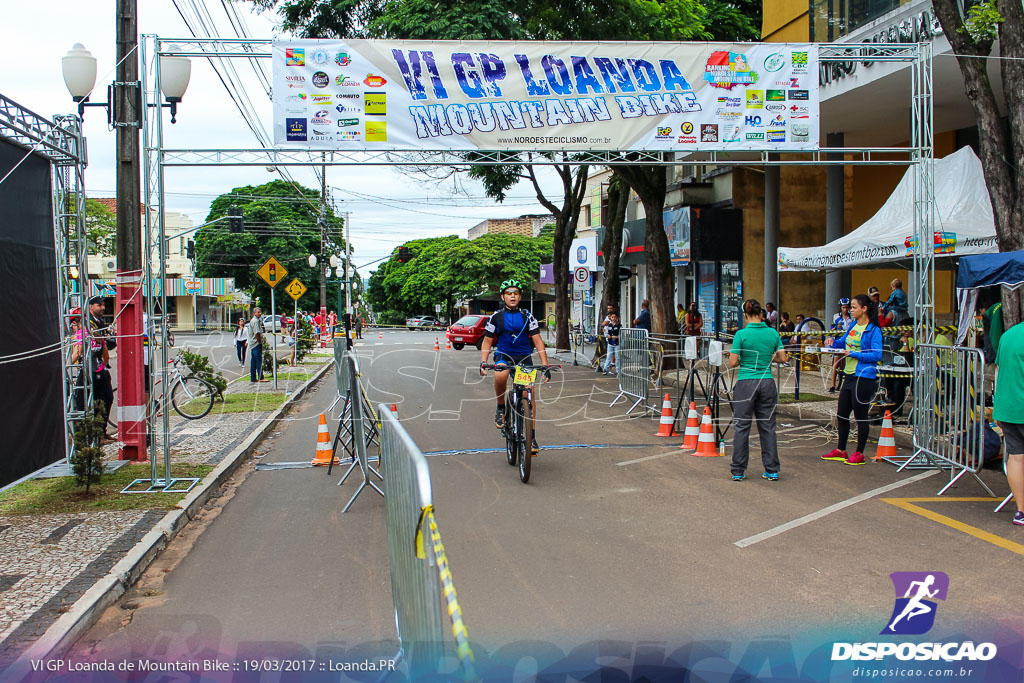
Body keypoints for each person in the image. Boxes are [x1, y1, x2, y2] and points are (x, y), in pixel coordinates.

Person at [479, 279, 552, 454]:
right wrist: (483, 361)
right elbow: (487, 341)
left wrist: (545, 365)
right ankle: (500, 407)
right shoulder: (496, 317)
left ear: (520, 297)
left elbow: (538, 341)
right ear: (503, 297)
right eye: (509, 293)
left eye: (516, 293)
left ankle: (531, 437)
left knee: (529, 395)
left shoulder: (528, 316)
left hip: (524, 357)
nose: (513, 296)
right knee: (501, 374)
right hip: (504, 355)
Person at [820, 293, 883, 465]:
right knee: (842, 413)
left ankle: (859, 453)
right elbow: (843, 342)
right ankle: (841, 449)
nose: (851, 310)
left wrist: (853, 353)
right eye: (851, 307)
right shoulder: (854, 325)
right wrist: (832, 343)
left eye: (854, 307)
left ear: (864, 308)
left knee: (860, 414)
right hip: (849, 375)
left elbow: (877, 354)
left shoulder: (873, 330)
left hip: (864, 376)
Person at [728, 299, 787, 481]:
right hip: (767, 381)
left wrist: (745, 359)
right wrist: (768, 359)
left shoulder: (741, 334)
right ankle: (772, 469)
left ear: (745, 315)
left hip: (746, 382)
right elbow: (783, 358)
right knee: (768, 427)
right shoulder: (772, 333)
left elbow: (732, 362)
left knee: (742, 426)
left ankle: (738, 470)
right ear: (762, 314)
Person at [993, 318, 1024, 526]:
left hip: (1008, 407)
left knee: (1016, 457)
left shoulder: (1008, 336)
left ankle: (1021, 511)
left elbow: (999, 370)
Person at [86, 296, 116, 442]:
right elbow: (99, 339)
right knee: (97, 400)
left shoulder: (100, 322)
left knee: (108, 397)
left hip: (101, 365)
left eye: (103, 305)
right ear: (91, 306)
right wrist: (106, 339)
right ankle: (96, 434)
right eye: (99, 305)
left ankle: (102, 431)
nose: (103, 308)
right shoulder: (87, 321)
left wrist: (107, 339)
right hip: (90, 366)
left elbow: (107, 342)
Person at [828, 298, 854, 393]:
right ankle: (832, 385)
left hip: (848, 343)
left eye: (847, 307)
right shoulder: (836, 317)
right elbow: (831, 327)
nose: (845, 310)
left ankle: (842, 384)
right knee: (836, 364)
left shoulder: (852, 318)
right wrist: (833, 330)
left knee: (845, 365)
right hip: (839, 341)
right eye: (843, 307)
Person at [248, 307, 267, 382]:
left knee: (253, 361)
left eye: (260, 312)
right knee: (258, 360)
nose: (260, 313)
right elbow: (257, 333)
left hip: (252, 343)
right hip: (255, 343)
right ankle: (260, 377)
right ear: (254, 313)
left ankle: (253, 377)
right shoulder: (255, 321)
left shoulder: (255, 320)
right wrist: (260, 342)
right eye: (258, 312)